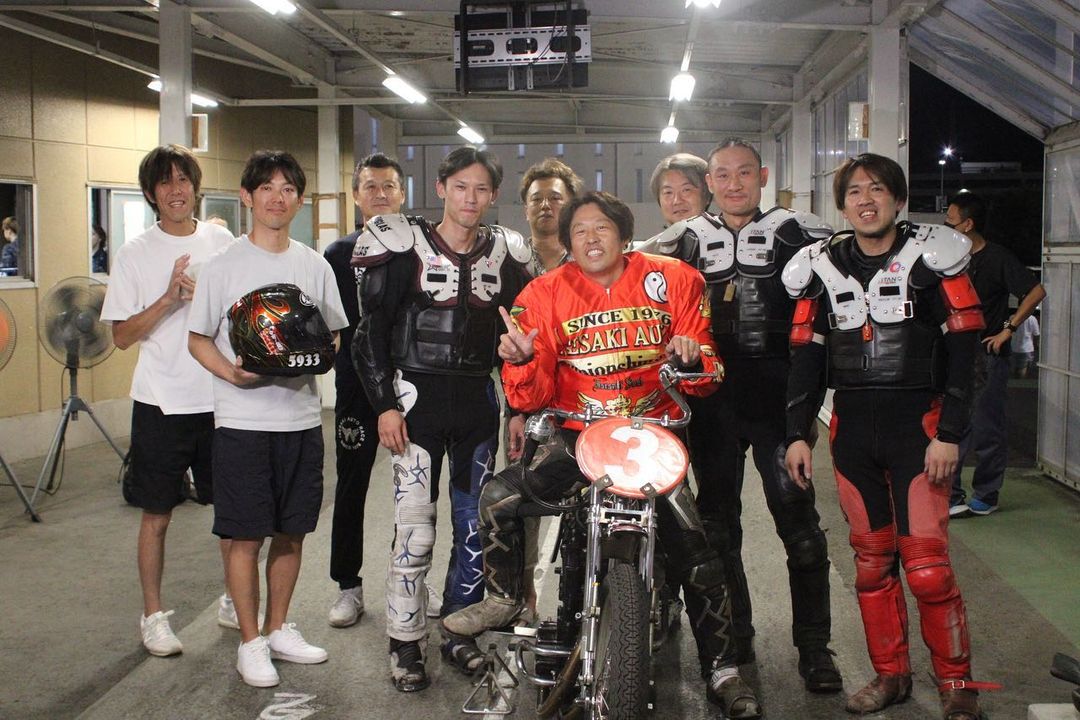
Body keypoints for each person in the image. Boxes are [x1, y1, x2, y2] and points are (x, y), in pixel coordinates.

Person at [442, 191, 763, 719]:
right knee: (499, 496)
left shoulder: (677, 279)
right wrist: (521, 360)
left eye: (602, 228)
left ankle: (724, 669)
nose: (591, 239)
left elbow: (708, 375)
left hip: (652, 440)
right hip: (578, 440)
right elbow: (530, 396)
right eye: (579, 231)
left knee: (699, 554)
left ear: (624, 233)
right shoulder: (542, 293)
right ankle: (502, 597)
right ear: (568, 243)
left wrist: (691, 357)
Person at [783, 153, 996, 720]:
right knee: (872, 564)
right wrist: (797, 434)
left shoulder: (934, 258)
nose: (866, 200)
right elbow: (806, 358)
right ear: (842, 204)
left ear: (898, 199)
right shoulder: (820, 267)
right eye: (854, 191)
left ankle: (956, 684)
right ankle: (891, 675)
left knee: (928, 569)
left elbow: (965, 354)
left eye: (877, 189)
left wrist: (950, 434)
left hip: (919, 429)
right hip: (852, 430)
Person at [639, 139, 840, 689]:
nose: (733, 184)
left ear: (762, 176)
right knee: (717, 529)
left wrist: (810, 404)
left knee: (800, 529)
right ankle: (735, 640)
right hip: (711, 403)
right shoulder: (680, 241)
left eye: (744, 173)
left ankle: (816, 650)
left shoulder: (801, 234)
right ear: (711, 183)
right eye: (723, 175)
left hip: (779, 403)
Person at [350, 146, 532, 692]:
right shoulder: (400, 245)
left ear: (493, 196)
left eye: (481, 189)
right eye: (460, 187)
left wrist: (518, 409)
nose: (470, 198)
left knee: (475, 528)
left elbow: (519, 341)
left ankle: (457, 630)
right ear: (441, 189)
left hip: (477, 401)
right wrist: (384, 405)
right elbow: (369, 335)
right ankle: (405, 642)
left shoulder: (508, 253)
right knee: (415, 528)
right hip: (415, 400)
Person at [188, 150, 348, 688]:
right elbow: (197, 338)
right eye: (267, 188)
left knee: (291, 532)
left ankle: (279, 628)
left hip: (300, 422)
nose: (277, 198)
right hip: (241, 425)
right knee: (244, 538)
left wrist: (314, 354)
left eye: (288, 189)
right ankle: (250, 641)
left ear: (299, 200)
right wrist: (232, 375)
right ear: (247, 197)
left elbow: (334, 334)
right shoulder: (224, 265)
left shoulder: (314, 265)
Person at [100, 145, 236, 658]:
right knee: (156, 515)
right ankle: (153, 616)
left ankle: (234, 598)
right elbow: (120, 336)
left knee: (232, 512)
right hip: (160, 403)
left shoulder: (221, 241)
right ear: (151, 193)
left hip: (219, 397)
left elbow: (238, 308)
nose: (176, 190)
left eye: (183, 180)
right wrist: (168, 299)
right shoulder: (135, 252)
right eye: (165, 182)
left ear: (195, 187)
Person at [323, 152, 415, 629]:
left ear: (402, 194)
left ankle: (413, 580)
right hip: (357, 387)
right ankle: (348, 586)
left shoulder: (420, 248)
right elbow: (332, 326)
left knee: (415, 491)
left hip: (411, 385)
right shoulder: (338, 255)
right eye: (371, 187)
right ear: (356, 195)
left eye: (389, 187)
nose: (380, 195)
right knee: (352, 485)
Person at [509, 157, 584, 619]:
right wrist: (515, 410)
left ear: (570, 205)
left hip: (582, 401)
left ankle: (580, 603)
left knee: (583, 501)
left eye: (555, 198)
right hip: (526, 401)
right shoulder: (511, 265)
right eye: (536, 198)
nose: (545, 206)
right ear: (525, 207)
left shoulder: (588, 263)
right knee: (525, 502)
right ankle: (525, 600)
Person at [944, 191, 1046, 517]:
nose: (947, 227)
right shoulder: (947, 258)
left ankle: (987, 494)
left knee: (987, 427)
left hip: (988, 353)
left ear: (968, 225)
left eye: (951, 222)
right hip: (955, 354)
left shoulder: (998, 258)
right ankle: (951, 495)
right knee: (951, 425)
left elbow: (1036, 291)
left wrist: (1008, 329)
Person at [1010, 314, 1039, 378]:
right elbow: (1036, 334)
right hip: (1028, 348)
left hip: (1013, 347)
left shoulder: (1011, 317)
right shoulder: (1033, 318)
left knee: (1013, 368)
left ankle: (1015, 381)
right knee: (1025, 369)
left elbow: (1006, 331)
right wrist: (1036, 345)